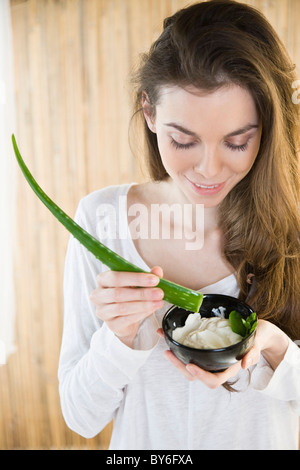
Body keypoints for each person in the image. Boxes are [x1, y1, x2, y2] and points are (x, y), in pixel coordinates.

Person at [58, 0, 300, 450]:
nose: (208, 169)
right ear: (149, 112)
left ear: (266, 128)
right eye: (183, 140)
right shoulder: (102, 221)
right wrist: (120, 339)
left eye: (237, 141)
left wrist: (276, 350)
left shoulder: (294, 226)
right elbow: (80, 417)